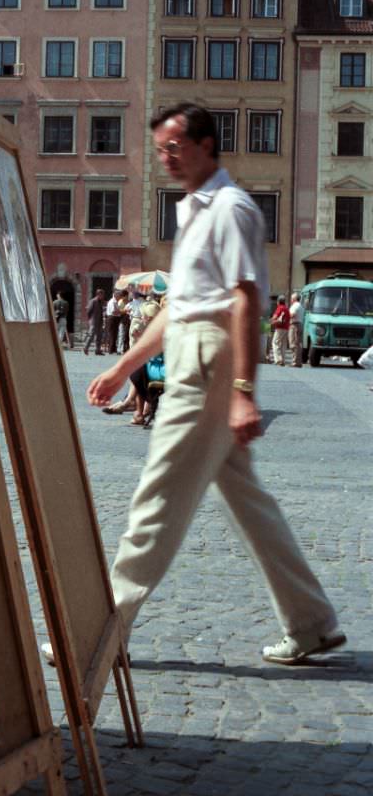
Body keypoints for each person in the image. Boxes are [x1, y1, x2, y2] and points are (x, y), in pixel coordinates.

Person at [84, 102, 344, 666]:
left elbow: (248, 298)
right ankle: (312, 621)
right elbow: (178, 307)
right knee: (248, 503)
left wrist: (245, 391)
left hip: (208, 361)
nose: (166, 158)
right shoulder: (195, 212)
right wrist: (125, 365)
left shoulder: (230, 208)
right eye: (160, 150)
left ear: (205, 145)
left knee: (157, 498)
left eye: (174, 147)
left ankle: (102, 633)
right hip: (191, 349)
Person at [84, 288, 105, 355]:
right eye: (102, 295)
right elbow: (88, 311)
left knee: (99, 336)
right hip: (93, 321)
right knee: (91, 335)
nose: (103, 296)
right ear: (98, 294)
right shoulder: (93, 301)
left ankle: (98, 350)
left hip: (99, 321)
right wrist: (90, 319)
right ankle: (86, 348)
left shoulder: (101, 301)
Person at [270, 295, 290, 366]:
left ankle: (278, 360)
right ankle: (283, 360)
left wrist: (270, 321)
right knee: (283, 345)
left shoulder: (279, 308)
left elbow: (275, 317)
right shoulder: (286, 309)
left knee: (275, 343)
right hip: (286, 328)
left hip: (280, 328)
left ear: (278, 302)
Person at [288, 292, 304, 368]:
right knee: (298, 344)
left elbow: (292, 314)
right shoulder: (300, 306)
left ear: (294, 299)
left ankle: (295, 362)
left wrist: (286, 316)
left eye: (291, 298)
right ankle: (298, 361)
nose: (291, 300)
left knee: (293, 344)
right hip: (299, 324)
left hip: (295, 325)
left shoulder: (295, 306)